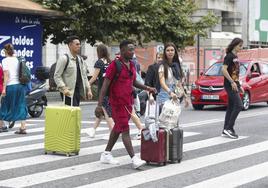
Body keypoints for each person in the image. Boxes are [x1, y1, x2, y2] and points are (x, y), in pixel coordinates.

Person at [95, 40, 156, 169]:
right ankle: (134, 159)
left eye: (133, 49)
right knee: (125, 130)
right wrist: (99, 105)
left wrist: (147, 88)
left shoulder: (132, 65)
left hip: (128, 102)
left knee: (118, 127)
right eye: (130, 49)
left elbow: (134, 82)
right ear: (122, 50)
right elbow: (105, 86)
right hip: (116, 103)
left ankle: (106, 154)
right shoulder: (114, 65)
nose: (132, 52)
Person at [54, 35, 91, 106]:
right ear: (70, 45)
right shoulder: (64, 59)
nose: (79, 46)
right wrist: (63, 88)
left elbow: (84, 76)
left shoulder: (80, 59)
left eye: (80, 44)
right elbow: (57, 76)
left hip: (77, 91)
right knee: (70, 114)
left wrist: (88, 89)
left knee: (75, 113)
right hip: (68, 92)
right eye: (77, 44)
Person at [0, 43, 27, 134]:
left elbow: (6, 75)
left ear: (5, 51)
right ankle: (23, 128)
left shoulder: (5, 61)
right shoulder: (17, 59)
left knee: (4, 105)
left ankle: (2, 126)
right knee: (21, 105)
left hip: (11, 86)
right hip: (20, 86)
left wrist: (4, 88)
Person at [87, 44, 114, 138]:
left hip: (102, 90)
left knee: (106, 112)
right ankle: (93, 130)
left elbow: (94, 78)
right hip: (110, 90)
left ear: (99, 52)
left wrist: (87, 84)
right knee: (102, 111)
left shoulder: (99, 63)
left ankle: (112, 133)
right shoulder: (110, 62)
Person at [222, 38, 244, 139]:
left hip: (234, 84)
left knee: (231, 107)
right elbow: (223, 70)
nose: (241, 47)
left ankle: (225, 130)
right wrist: (231, 82)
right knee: (239, 105)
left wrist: (239, 86)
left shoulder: (235, 56)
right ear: (234, 45)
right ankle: (229, 128)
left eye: (241, 46)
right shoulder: (229, 56)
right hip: (229, 85)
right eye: (239, 45)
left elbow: (235, 73)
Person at [158, 42, 189, 112]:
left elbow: (178, 83)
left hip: (175, 94)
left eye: (172, 50)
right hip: (165, 94)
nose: (170, 52)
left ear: (175, 52)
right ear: (165, 52)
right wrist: (170, 92)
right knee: (165, 119)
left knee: (174, 119)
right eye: (168, 50)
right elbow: (162, 83)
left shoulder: (176, 66)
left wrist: (185, 96)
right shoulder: (162, 66)